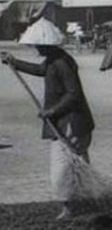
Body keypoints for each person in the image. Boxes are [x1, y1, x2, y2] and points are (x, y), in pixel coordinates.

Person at [1, 17, 95, 220]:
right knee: (76, 165)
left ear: (46, 44)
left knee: (64, 168)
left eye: (37, 45)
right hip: (68, 122)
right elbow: (41, 70)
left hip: (71, 124)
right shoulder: (54, 59)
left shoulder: (62, 63)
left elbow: (73, 94)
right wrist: (14, 62)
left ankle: (71, 208)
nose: (35, 48)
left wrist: (51, 111)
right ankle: (78, 205)